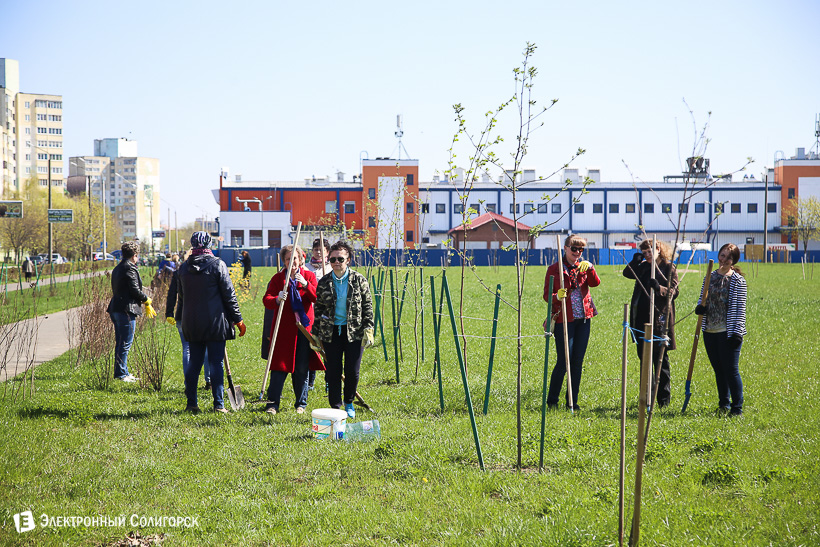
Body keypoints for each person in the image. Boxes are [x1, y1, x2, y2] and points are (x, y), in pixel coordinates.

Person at [177, 231, 246, 413]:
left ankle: (191, 404)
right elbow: (229, 295)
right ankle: (219, 405)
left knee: (194, 364)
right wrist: (238, 320)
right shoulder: (218, 265)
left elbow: (181, 298)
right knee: (216, 363)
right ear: (209, 244)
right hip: (215, 323)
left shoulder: (183, 268)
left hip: (191, 324)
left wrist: (179, 318)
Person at [261, 244, 325, 415]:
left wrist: (306, 286)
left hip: (304, 330)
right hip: (283, 330)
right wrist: (276, 298)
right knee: (278, 368)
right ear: (284, 261)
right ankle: (272, 404)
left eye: (294, 258)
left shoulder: (309, 276)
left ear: (301, 259)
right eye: (288, 259)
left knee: (302, 368)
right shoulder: (278, 278)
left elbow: (318, 299)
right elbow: (266, 299)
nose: (292, 262)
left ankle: (301, 404)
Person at [313, 241, 374, 418]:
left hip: (354, 332)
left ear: (348, 260)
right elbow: (319, 309)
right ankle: (335, 406)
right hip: (331, 333)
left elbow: (367, 305)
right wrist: (315, 334)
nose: (336, 262)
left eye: (340, 258)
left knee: (352, 371)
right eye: (333, 259)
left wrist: (368, 328)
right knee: (333, 370)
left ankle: (349, 402)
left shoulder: (359, 280)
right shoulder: (324, 282)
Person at [544, 235, 601, 411]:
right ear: (566, 248)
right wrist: (556, 296)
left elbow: (595, 283)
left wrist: (591, 268)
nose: (577, 253)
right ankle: (552, 401)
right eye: (574, 249)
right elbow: (547, 295)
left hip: (583, 319)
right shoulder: (554, 269)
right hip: (564, 320)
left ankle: (572, 401)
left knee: (577, 362)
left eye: (581, 250)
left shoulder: (583, 267)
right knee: (563, 361)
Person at [623, 238, 679, 408]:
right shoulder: (644, 267)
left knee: (660, 360)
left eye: (650, 251)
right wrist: (635, 261)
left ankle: (663, 400)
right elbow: (627, 273)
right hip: (641, 319)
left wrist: (659, 288)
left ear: (659, 250)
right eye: (644, 252)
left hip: (659, 319)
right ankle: (646, 397)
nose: (647, 255)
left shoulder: (668, 267)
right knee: (644, 358)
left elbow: (674, 292)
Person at [696, 243, 747, 416]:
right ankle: (723, 404)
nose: (724, 259)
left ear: (734, 261)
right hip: (709, 329)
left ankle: (736, 408)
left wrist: (737, 333)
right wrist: (700, 308)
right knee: (718, 370)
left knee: (731, 370)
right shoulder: (710, 277)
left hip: (728, 331)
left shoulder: (738, 281)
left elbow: (740, 308)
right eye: (722, 255)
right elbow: (703, 297)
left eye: (728, 257)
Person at [106, 241, 156, 382]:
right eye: (137, 256)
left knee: (121, 342)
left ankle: (122, 372)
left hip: (116, 308)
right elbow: (134, 290)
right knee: (125, 343)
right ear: (134, 255)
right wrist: (146, 299)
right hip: (126, 310)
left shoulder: (118, 267)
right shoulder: (130, 268)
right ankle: (122, 374)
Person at [165, 250, 212, 390]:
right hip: (204, 314)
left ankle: (189, 382)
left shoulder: (180, 271)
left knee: (187, 348)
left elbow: (171, 294)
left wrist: (169, 312)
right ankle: (209, 380)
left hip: (183, 314)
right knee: (206, 347)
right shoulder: (207, 270)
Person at [304, 237, 331, 391]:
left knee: (327, 349)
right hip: (310, 314)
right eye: (316, 250)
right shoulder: (306, 268)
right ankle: (310, 382)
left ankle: (329, 382)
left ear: (327, 252)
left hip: (326, 314)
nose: (319, 252)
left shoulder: (330, 268)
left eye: (322, 250)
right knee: (311, 347)